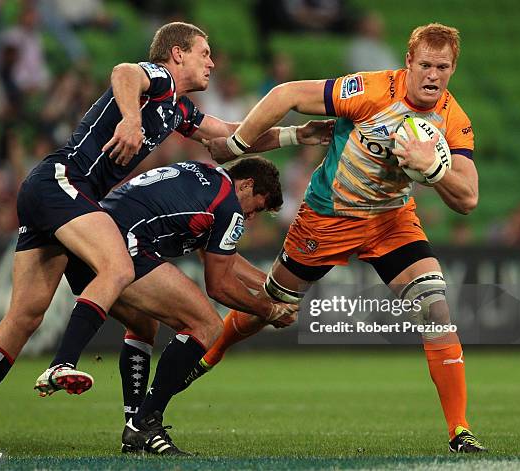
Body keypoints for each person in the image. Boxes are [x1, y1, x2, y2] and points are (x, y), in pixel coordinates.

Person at [0, 21, 331, 453]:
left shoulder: (180, 111)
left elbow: (231, 137)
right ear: (177, 54)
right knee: (120, 266)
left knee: (27, 315)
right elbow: (124, 71)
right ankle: (64, 365)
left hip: (49, 194)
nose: (212, 62)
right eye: (204, 52)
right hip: (64, 182)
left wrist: (298, 134)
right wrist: (129, 117)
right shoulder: (158, 79)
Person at [205, 23, 486, 453]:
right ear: (408, 62)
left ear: (453, 68)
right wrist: (239, 143)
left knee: (436, 308)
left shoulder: (453, 119)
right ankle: (212, 351)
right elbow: (285, 95)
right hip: (329, 217)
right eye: (425, 64)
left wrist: (433, 168)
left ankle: (460, 431)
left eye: (442, 67)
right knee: (270, 305)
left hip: (391, 220)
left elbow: (467, 199)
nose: (433, 74)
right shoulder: (371, 90)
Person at [33, 156, 297, 455]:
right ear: (247, 185)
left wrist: (270, 286)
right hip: (124, 245)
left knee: (143, 325)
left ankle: (132, 426)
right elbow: (219, 285)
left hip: (89, 236)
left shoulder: (206, 178)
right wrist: (269, 311)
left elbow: (220, 255)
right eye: (257, 208)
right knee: (207, 325)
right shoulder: (229, 206)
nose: (250, 217)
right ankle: (146, 421)